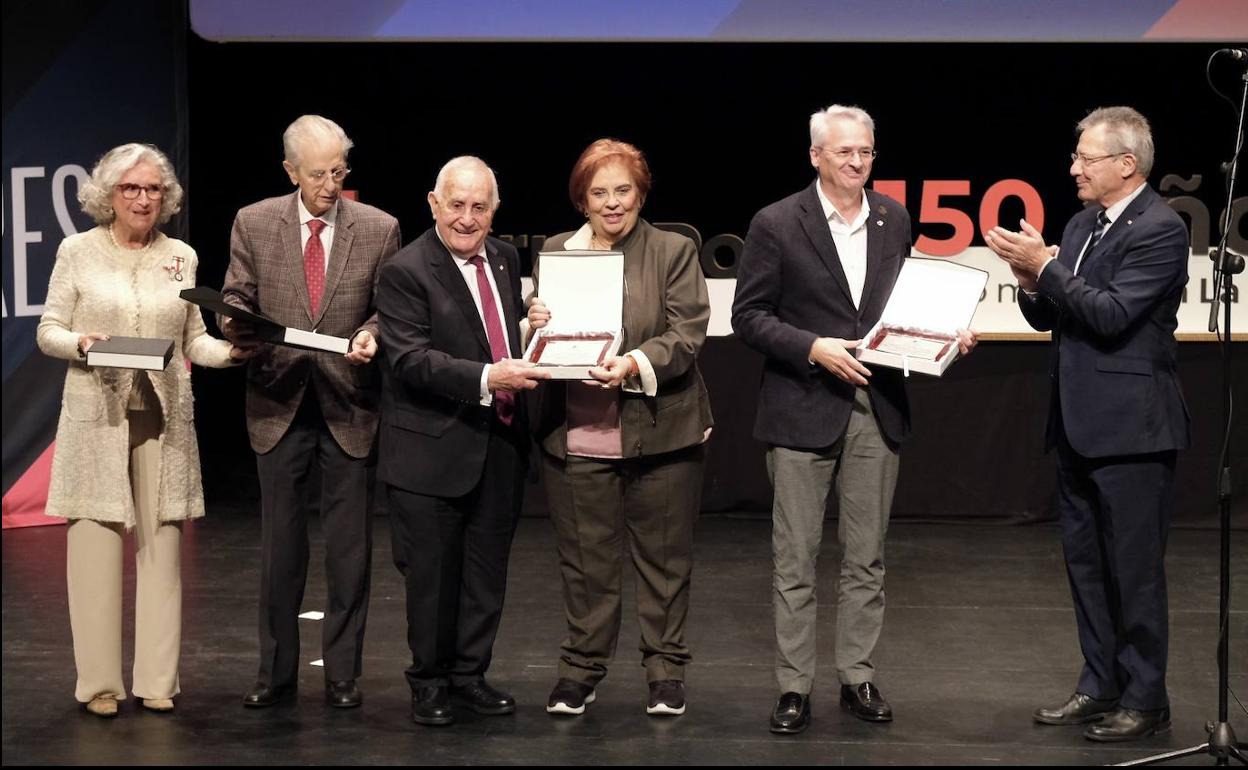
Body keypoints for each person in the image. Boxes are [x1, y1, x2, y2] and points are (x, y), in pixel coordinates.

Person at [732, 105, 975, 735]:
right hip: (801, 406)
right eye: (844, 152)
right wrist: (813, 347)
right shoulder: (777, 223)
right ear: (815, 155)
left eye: (865, 151)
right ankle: (793, 687)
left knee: (866, 558)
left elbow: (903, 304)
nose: (857, 161)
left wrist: (947, 332)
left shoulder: (892, 219)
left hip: (877, 406)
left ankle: (857, 675)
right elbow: (749, 317)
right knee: (796, 558)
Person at [985, 106, 1189, 742]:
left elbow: (1111, 314)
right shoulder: (1079, 225)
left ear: (1126, 165)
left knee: (1134, 568)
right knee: (1087, 565)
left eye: (1085, 158)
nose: (1073, 167)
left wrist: (1048, 269)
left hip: (1134, 428)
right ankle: (1099, 683)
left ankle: (1146, 697)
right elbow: (1052, 316)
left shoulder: (1160, 228)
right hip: (1076, 425)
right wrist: (1029, 279)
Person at [36, 143, 251, 717]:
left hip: (164, 416)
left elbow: (193, 341)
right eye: (131, 188)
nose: (143, 198)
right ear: (108, 195)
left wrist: (233, 352)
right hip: (97, 416)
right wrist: (83, 343)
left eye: (154, 189)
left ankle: (158, 681)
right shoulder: (76, 251)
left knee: (163, 552)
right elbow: (48, 329)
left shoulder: (180, 255)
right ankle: (100, 684)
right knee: (94, 550)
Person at [528, 138, 713, 718]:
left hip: (661, 433)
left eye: (623, 191)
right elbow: (546, 345)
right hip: (579, 431)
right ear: (582, 200)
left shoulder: (673, 250)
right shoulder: (558, 251)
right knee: (587, 564)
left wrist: (634, 363)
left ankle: (665, 673)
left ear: (641, 193)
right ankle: (580, 670)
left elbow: (687, 335)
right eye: (599, 193)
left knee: (664, 562)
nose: (612, 204)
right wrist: (535, 321)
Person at [221, 115, 401, 710]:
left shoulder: (378, 228)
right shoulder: (254, 221)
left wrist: (374, 335)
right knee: (281, 550)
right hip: (278, 398)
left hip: (349, 402)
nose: (331, 183)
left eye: (340, 170)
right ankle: (275, 673)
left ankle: (344, 673)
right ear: (290, 171)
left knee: (350, 551)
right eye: (319, 173)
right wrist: (231, 320)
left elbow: (386, 310)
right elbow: (237, 295)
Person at [376, 156, 546, 726]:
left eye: (479, 207)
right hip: (430, 450)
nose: (467, 219)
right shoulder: (405, 269)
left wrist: (529, 322)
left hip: (499, 442)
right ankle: (429, 683)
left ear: (494, 212)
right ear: (433, 203)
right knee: (432, 578)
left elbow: (488, 331)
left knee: (485, 572)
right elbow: (408, 359)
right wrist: (486, 378)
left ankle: (470, 676)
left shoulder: (502, 258)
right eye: (457, 205)